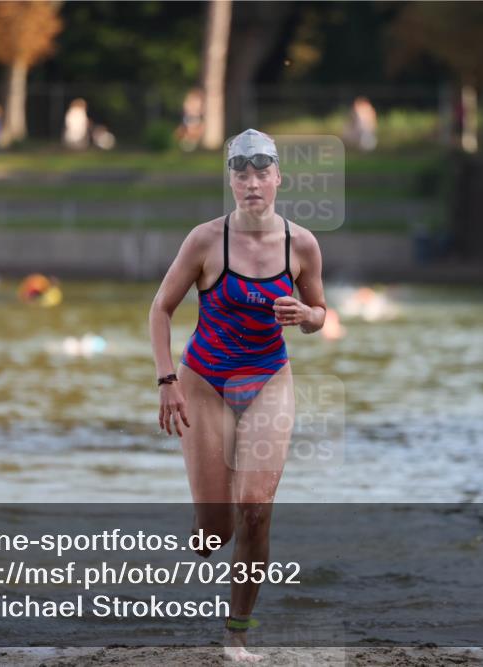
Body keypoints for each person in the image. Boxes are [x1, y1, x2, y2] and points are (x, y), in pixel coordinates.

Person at [148, 129, 327, 662]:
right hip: (204, 382)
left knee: (255, 510)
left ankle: (237, 636)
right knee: (214, 535)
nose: (252, 184)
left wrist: (307, 314)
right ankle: (206, 516)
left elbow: (320, 314)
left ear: (278, 179)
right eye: (241, 174)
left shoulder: (302, 244)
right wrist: (166, 381)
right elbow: (161, 309)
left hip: (269, 380)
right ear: (230, 181)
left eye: (261, 174)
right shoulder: (205, 240)